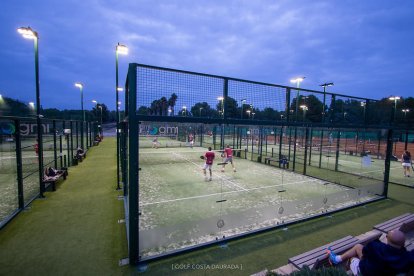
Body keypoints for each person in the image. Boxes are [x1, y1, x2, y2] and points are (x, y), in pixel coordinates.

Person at [327, 229, 414, 276]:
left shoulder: (376, 247)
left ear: (386, 238)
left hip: (366, 272)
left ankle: (336, 259)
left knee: (354, 254)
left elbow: (365, 253)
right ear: (403, 243)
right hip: (387, 271)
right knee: (359, 248)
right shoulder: (408, 257)